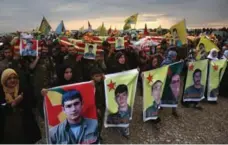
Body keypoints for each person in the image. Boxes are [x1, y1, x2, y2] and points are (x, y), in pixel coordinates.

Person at [0, 69, 41, 143]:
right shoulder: (1, 92)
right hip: (6, 131)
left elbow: (33, 103)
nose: (12, 80)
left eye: (15, 77)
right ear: (4, 80)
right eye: (9, 78)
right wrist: (13, 104)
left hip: (24, 129)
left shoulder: (23, 89)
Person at [90, 67, 105, 143]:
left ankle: (98, 135)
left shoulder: (103, 83)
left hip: (103, 106)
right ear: (92, 77)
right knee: (95, 123)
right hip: (96, 107)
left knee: (101, 122)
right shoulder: (91, 85)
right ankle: (94, 137)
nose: (98, 78)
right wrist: (97, 108)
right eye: (96, 76)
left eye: (99, 76)